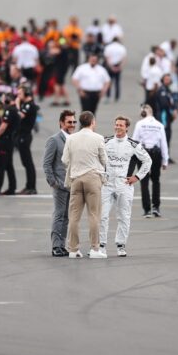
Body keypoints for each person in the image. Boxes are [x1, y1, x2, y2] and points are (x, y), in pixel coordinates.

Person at [99, 116, 152, 257]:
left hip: (124, 184)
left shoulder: (134, 145)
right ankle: (101, 245)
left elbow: (148, 161)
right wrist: (100, 174)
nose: (118, 127)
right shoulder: (105, 141)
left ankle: (121, 245)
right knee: (102, 215)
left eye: (121, 125)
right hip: (107, 184)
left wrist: (137, 177)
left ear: (127, 127)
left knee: (124, 216)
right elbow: (95, 157)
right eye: (116, 124)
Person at [61, 111, 108, 259]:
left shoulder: (71, 138)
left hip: (76, 178)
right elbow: (104, 160)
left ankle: (73, 249)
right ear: (92, 122)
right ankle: (94, 249)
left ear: (80, 123)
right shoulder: (98, 138)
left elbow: (65, 160)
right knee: (94, 215)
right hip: (92, 177)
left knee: (74, 216)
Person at [43, 110, 75, 257]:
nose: (72, 124)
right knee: (59, 215)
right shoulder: (54, 140)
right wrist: (53, 182)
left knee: (66, 217)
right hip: (60, 184)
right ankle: (56, 246)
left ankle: (62, 245)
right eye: (69, 122)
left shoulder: (74, 139)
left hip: (72, 184)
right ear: (61, 123)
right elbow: (47, 163)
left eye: (74, 122)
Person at [133, 104, 169, 218]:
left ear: (143, 113)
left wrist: (132, 158)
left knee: (144, 181)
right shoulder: (159, 125)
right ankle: (156, 207)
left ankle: (147, 209)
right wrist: (165, 160)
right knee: (156, 180)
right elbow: (164, 144)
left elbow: (134, 141)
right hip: (156, 153)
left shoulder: (140, 124)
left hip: (143, 153)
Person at [16, 85, 38, 195]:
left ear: (26, 93)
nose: (18, 96)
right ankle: (28, 186)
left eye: (20, 93)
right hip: (22, 135)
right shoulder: (25, 104)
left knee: (28, 162)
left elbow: (20, 115)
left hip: (25, 135)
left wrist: (17, 104)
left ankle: (31, 187)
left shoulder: (29, 105)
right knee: (25, 162)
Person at [103, 36, 126, 102]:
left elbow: (107, 58)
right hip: (118, 64)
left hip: (110, 65)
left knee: (109, 81)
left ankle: (108, 96)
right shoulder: (122, 47)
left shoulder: (108, 47)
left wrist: (111, 67)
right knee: (117, 82)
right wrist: (120, 67)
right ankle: (117, 97)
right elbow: (124, 58)